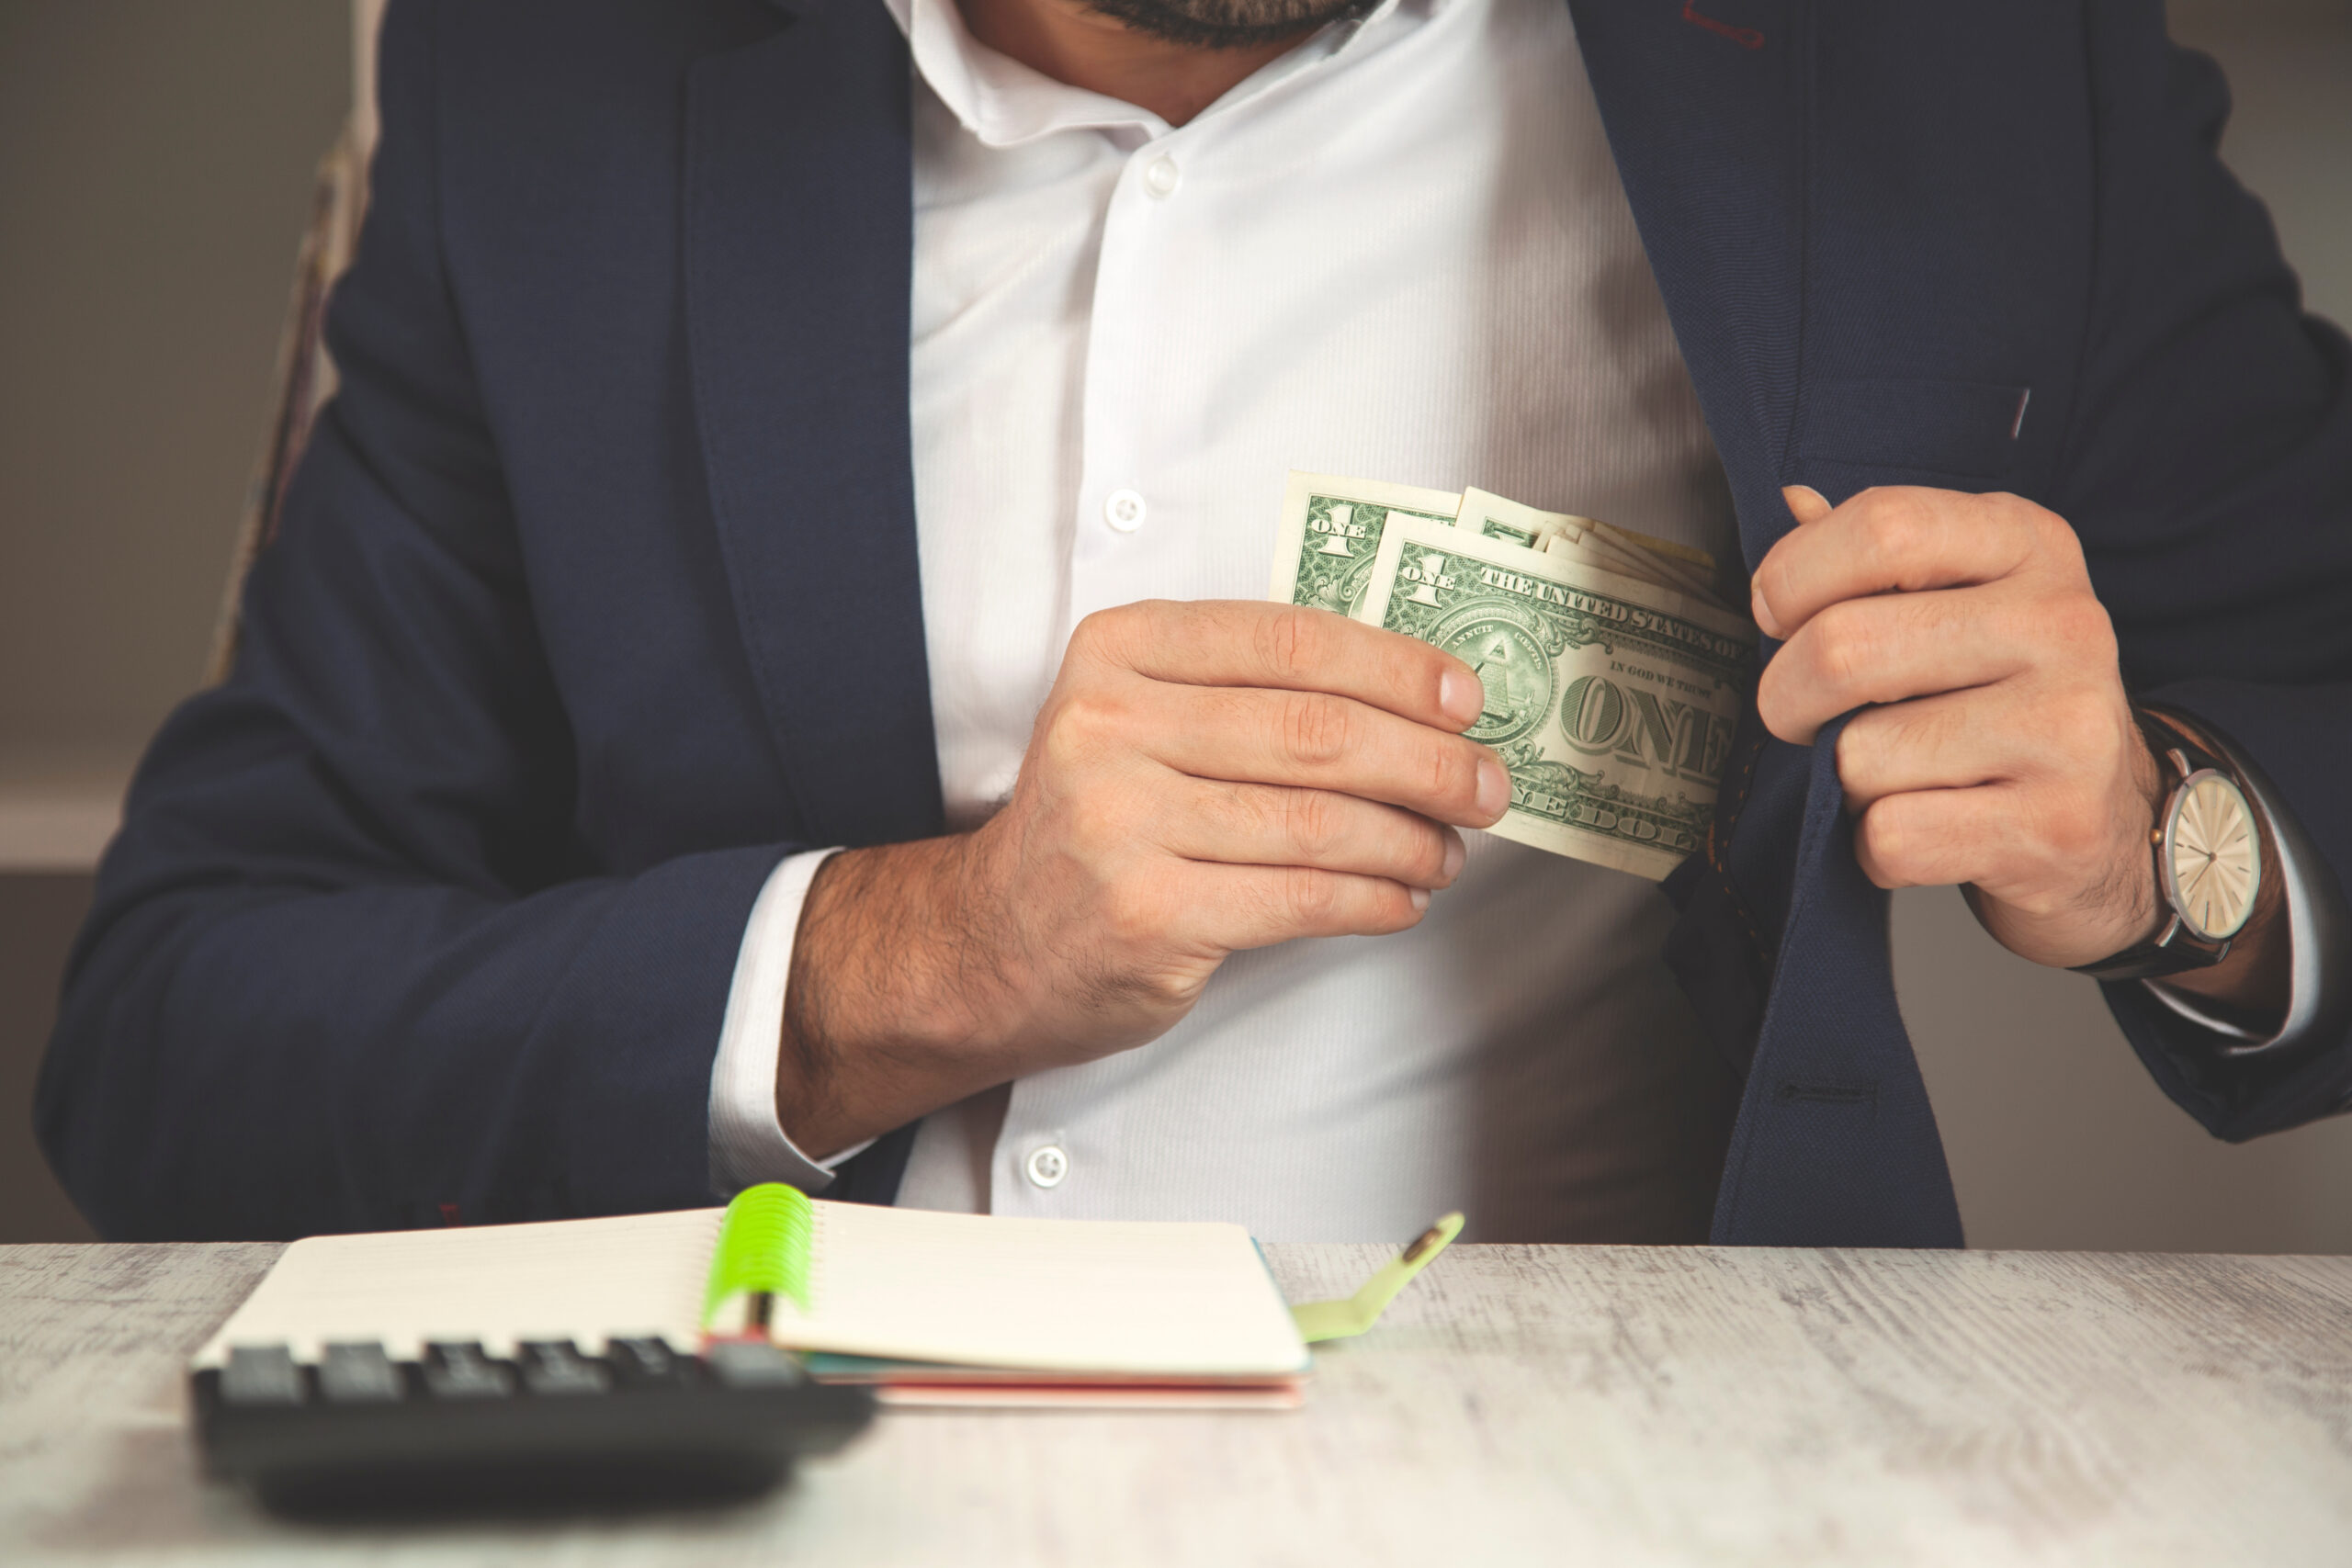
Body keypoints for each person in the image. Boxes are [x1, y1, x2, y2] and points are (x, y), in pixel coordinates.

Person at [38, 0, 2352, 1245]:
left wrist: (2169, 841)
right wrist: (900, 958)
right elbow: (174, 1040)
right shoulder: (546, 85)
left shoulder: (1951, 60)